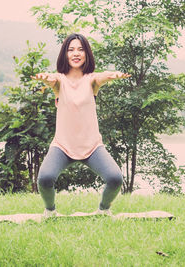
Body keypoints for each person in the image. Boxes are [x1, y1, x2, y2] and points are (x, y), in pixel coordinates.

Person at [32, 33, 131, 217]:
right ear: (65, 54)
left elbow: (101, 77)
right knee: (45, 178)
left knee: (115, 178)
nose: (75, 53)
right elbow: (53, 79)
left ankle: (103, 210)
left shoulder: (91, 80)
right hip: (62, 146)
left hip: (92, 146)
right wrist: (46, 78)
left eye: (80, 49)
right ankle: (50, 211)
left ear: (86, 54)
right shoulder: (59, 81)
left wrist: (112, 75)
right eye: (71, 50)